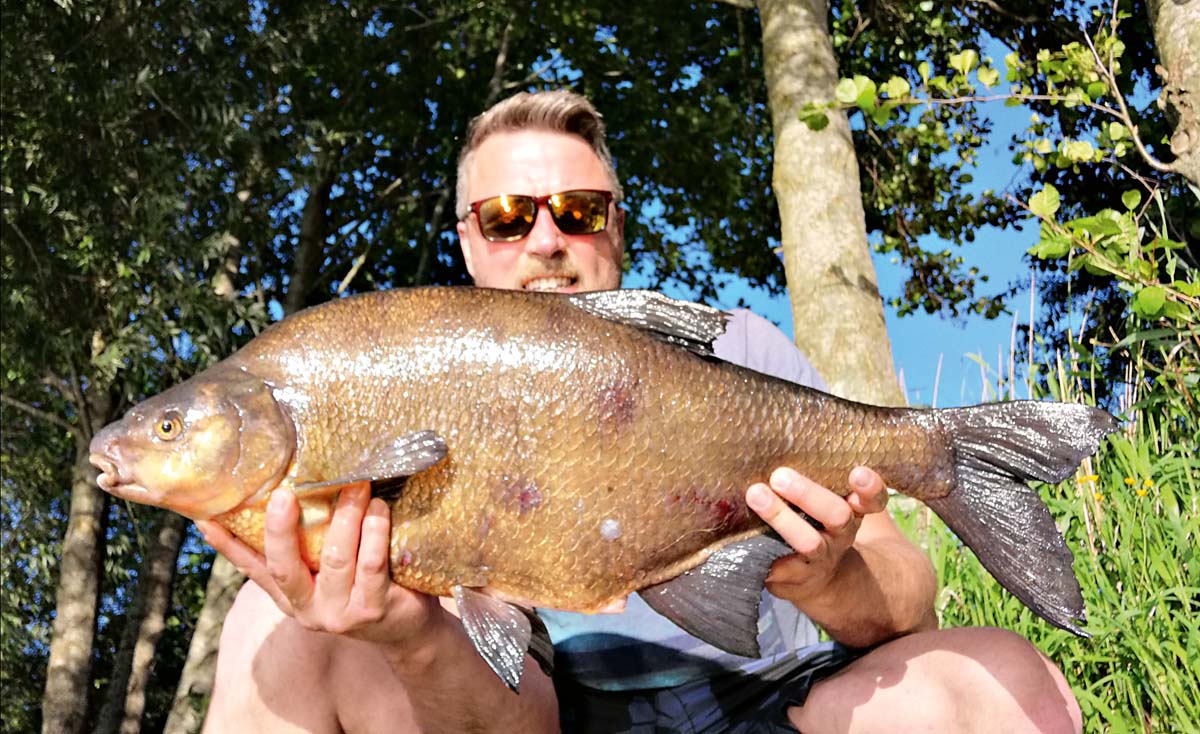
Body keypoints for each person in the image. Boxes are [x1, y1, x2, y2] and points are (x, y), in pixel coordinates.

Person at [199, 90, 1084, 733]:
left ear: (616, 226)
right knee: (270, 632)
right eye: (508, 217)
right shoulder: (402, 377)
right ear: (468, 239)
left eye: (579, 211)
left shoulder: (734, 349)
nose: (547, 240)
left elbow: (911, 601)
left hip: (780, 706)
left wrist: (835, 580)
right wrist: (411, 634)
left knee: (1000, 677)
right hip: (538, 717)